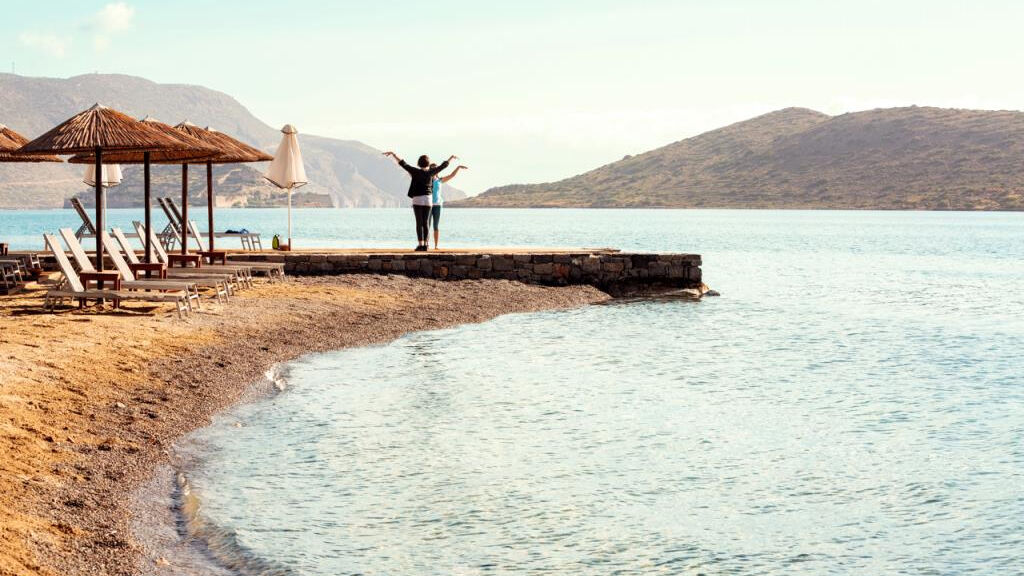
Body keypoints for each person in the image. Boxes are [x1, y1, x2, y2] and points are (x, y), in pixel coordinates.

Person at [383, 151, 456, 251]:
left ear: (418, 163)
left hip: (417, 199)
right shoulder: (431, 172)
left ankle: (420, 244)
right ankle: (426, 245)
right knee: (426, 223)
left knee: (419, 223)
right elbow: (443, 166)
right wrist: (450, 158)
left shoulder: (415, 171)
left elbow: (403, 164)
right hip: (428, 200)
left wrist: (393, 154)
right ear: (428, 164)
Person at [427, 163, 468, 249]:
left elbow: (452, 175)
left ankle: (436, 246)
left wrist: (458, 167)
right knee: (427, 225)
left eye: (435, 168)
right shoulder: (427, 179)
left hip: (437, 205)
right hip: (429, 205)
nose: (434, 170)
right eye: (432, 168)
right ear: (430, 169)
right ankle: (426, 244)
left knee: (436, 226)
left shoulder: (440, 180)